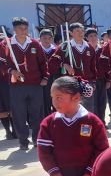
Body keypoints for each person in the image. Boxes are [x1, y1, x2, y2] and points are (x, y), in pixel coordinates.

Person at [37, 76, 108, 176]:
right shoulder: (48, 123)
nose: (54, 102)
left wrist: (89, 174)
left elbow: (102, 150)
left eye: (59, 98)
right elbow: (44, 152)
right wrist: (54, 173)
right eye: (53, 97)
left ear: (76, 97)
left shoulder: (93, 122)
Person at [4, 17, 48, 149]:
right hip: (17, 86)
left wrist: (45, 77)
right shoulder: (6, 44)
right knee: (19, 114)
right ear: (14, 29)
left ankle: (37, 139)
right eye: (20, 28)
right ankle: (23, 141)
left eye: (25, 28)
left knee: (37, 113)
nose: (23, 31)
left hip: (35, 84)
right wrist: (12, 70)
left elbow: (43, 63)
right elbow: (3, 63)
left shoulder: (34, 44)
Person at [57, 23, 98, 114]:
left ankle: (87, 127)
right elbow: (52, 62)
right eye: (77, 31)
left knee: (88, 109)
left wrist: (93, 81)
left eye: (82, 31)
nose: (81, 33)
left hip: (86, 83)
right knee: (72, 108)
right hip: (70, 83)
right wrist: (64, 65)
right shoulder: (64, 47)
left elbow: (93, 67)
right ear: (71, 33)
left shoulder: (89, 47)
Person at [39, 29, 60, 114]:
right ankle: (48, 119)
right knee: (46, 101)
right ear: (40, 38)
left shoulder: (56, 50)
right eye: (44, 38)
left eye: (49, 38)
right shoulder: (37, 49)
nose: (47, 40)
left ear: (52, 39)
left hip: (55, 78)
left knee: (56, 98)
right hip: (43, 79)